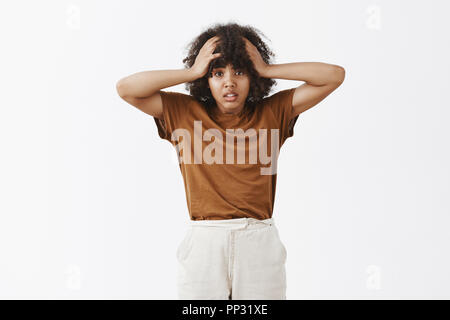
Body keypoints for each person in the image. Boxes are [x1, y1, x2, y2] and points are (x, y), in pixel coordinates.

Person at [116, 22, 345, 300]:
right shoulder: (184, 113)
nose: (229, 82)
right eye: (217, 73)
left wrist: (267, 68)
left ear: (253, 77)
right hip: (205, 241)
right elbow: (127, 88)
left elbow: (334, 76)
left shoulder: (273, 112)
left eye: (240, 71)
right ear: (205, 79)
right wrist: (191, 72)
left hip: (259, 239)